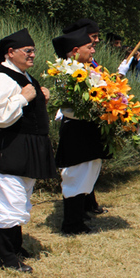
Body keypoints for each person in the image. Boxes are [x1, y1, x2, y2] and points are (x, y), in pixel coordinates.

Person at [0, 29, 57, 273]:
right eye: (27, 51)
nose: (32, 55)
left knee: (21, 197)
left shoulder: (24, 76)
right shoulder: (1, 78)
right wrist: (24, 98)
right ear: (10, 53)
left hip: (23, 148)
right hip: (6, 149)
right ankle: (7, 258)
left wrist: (40, 97)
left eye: (33, 51)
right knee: (10, 200)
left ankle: (16, 247)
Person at [52, 28, 111, 235]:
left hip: (88, 129)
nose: (93, 51)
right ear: (76, 50)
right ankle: (71, 224)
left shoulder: (86, 68)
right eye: (89, 47)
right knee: (75, 176)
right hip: (76, 130)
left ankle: (78, 218)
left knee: (88, 173)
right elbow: (71, 106)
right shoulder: (65, 72)